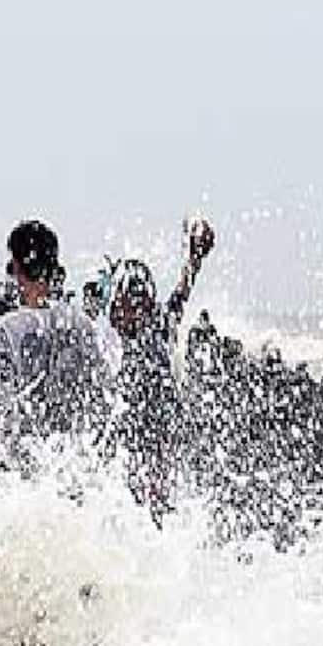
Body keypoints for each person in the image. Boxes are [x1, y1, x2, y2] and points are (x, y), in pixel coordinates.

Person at [105, 217, 215, 512]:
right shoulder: (123, 338)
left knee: (153, 491)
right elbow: (182, 293)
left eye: (122, 304)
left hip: (158, 421)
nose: (117, 312)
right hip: (145, 426)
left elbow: (182, 292)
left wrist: (194, 258)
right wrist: (193, 259)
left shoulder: (157, 325)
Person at [0, 219, 109, 443]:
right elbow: (99, 389)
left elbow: (0, 401)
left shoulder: (10, 329)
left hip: (27, 451)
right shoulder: (79, 321)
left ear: (17, 267)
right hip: (72, 448)